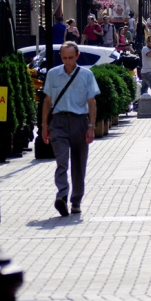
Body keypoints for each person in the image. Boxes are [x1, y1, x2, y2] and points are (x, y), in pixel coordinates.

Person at [41, 42, 100, 216]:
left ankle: (76, 201)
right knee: (61, 161)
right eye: (64, 58)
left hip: (80, 122)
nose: (67, 61)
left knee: (78, 164)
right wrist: (45, 125)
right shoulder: (53, 74)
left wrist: (91, 126)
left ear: (77, 56)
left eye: (71, 58)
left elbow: (91, 102)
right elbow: (47, 101)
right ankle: (62, 195)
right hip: (58, 122)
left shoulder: (86, 75)